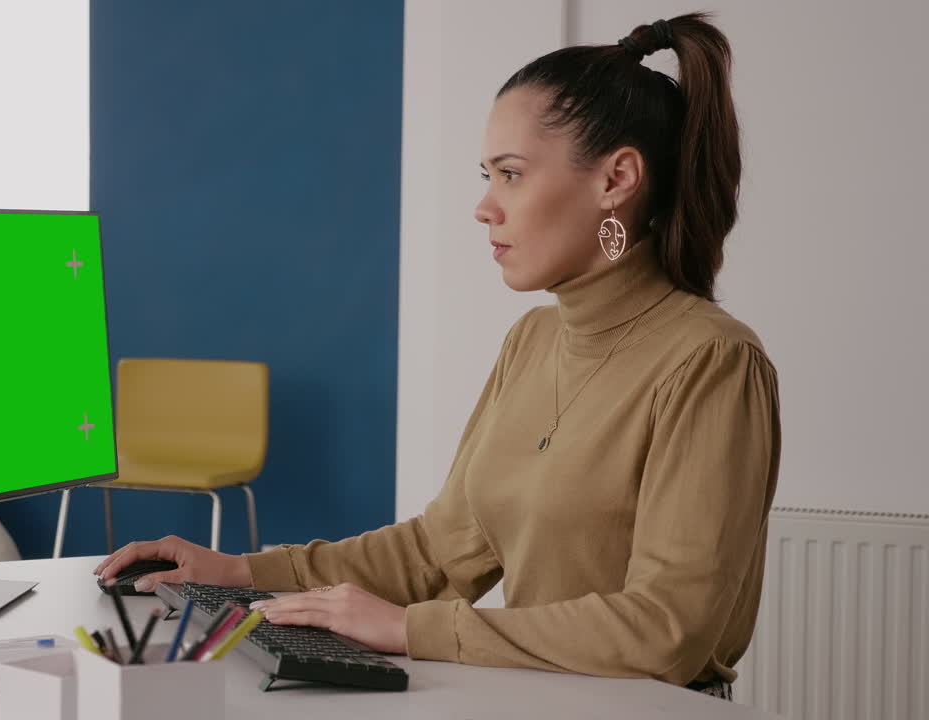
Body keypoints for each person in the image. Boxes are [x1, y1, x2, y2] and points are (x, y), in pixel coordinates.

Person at [94, 12, 779, 701]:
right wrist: (240, 572)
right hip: (542, 700)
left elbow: (667, 630)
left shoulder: (711, 361)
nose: (484, 207)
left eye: (510, 174)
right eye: (487, 175)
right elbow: (437, 550)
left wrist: (407, 629)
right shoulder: (533, 339)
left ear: (617, 178)